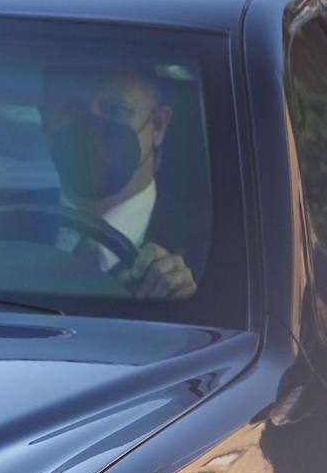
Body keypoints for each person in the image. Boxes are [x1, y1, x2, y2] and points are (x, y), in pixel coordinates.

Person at [38, 64, 205, 299]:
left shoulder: (217, 253)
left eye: (113, 109)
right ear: (44, 122)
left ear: (158, 125)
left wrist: (190, 308)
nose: (90, 126)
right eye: (71, 107)